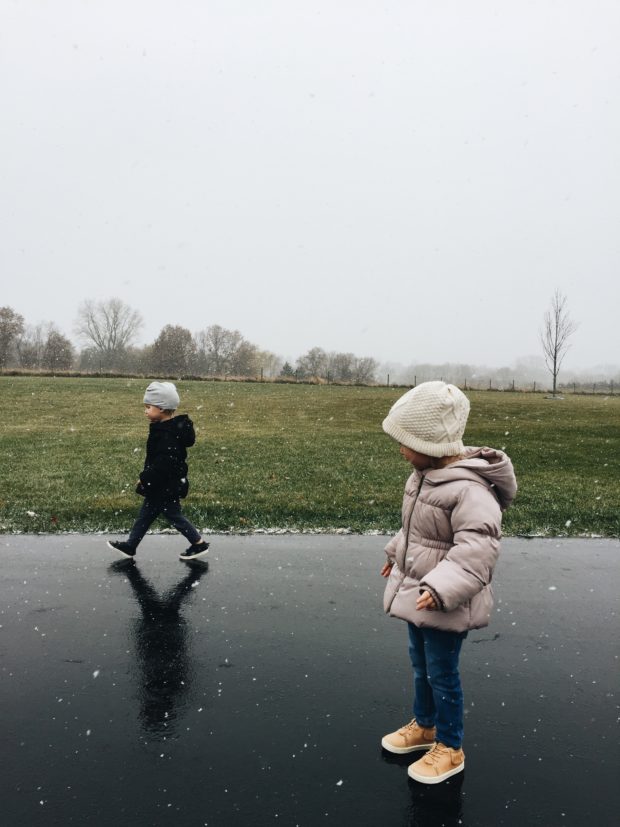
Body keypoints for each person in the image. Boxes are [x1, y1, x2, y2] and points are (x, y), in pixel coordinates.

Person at [379, 381, 517, 784]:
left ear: (433, 444)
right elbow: (416, 532)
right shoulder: (422, 476)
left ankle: (451, 747)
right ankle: (426, 726)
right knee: (420, 667)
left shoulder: (470, 490)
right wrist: (394, 553)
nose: (400, 450)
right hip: (416, 592)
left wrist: (440, 589)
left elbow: (477, 551)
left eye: (405, 442)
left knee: (442, 673)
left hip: (444, 600)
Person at [107, 381, 209, 562]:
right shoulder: (167, 429)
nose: (145, 411)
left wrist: (144, 479)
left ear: (161, 408)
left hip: (165, 484)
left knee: (173, 515)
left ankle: (198, 543)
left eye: (148, 407)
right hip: (164, 483)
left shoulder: (166, 434)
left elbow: (164, 463)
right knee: (146, 515)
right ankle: (130, 546)